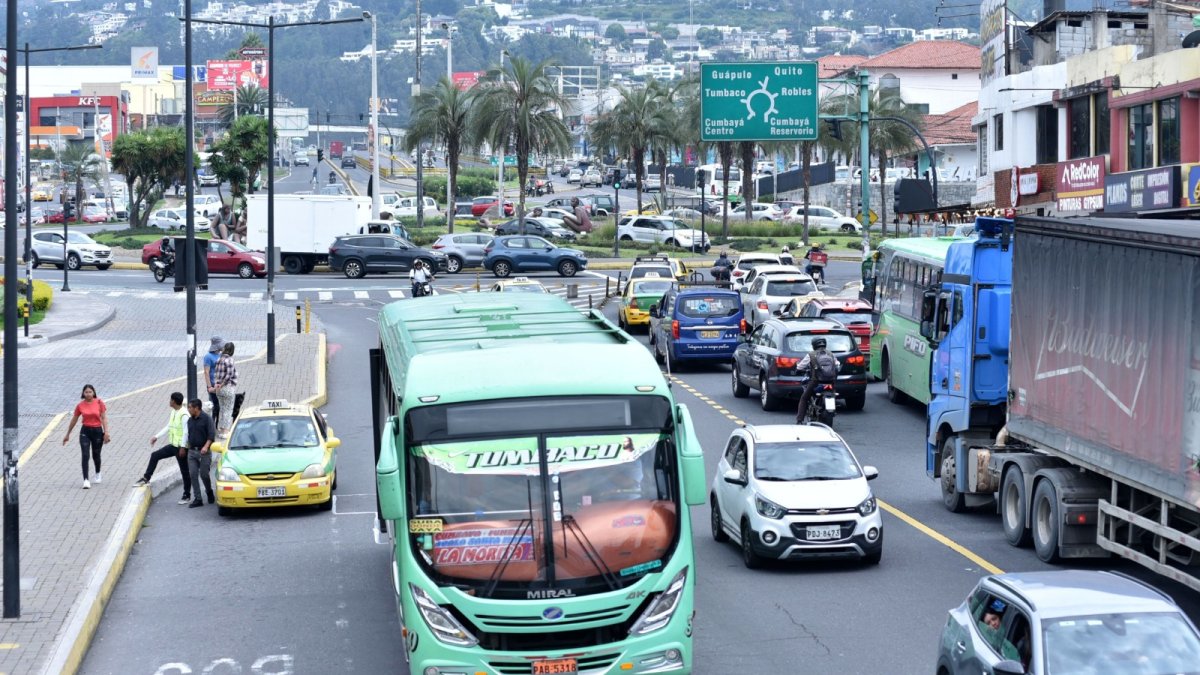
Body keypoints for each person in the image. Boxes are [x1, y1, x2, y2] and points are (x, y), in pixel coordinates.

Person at [134, 392, 193, 505]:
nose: (169, 401)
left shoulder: (184, 415)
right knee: (155, 455)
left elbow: (186, 432)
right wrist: (156, 436)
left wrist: (183, 447)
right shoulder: (174, 412)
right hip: (173, 445)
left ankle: (187, 495)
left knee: (184, 471)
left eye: (170, 400)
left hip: (181, 448)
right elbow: (169, 426)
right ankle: (146, 477)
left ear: (174, 402)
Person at [63, 384, 110, 489]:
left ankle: (98, 472)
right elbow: (74, 420)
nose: (88, 394)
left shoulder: (99, 402)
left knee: (96, 454)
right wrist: (67, 434)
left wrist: (106, 432)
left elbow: (104, 418)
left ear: (93, 393)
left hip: (97, 431)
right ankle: (86, 480)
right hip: (85, 431)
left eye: (90, 392)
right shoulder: (80, 406)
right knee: (85, 455)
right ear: (83, 394)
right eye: (86, 392)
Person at [795, 337, 841, 424]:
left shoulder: (811, 354)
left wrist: (797, 369)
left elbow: (800, 366)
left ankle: (799, 420)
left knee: (804, 398)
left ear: (813, 345)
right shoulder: (830, 354)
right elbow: (837, 365)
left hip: (816, 382)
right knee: (833, 394)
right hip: (831, 381)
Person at [185, 398, 216, 508]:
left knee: (204, 474)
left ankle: (209, 491)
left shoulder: (207, 419)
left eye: (190, 407)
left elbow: (211, 435)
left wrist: (206, 447)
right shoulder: (190, 420)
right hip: (192, 452)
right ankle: (198, 498)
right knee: (193, 475)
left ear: (196, 408)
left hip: (204, 452)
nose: (188, 409)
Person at [212, 342, 239, 437]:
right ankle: (226, 431)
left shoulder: (219, 359)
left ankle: (221, 430)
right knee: (228, 409)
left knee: (222, 409)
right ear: (232, 350)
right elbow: (229, 375)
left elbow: (215, 374)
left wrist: (217, 385)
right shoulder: (229, 360)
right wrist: (222, 384)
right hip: (227, 387)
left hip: (218, 389)